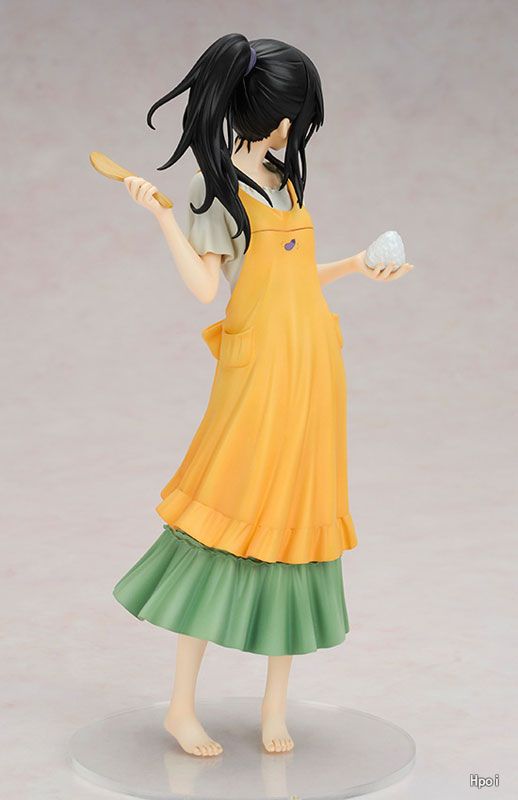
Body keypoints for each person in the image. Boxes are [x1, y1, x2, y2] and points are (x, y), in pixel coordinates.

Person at [112, 33, 414, 758]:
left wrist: (357, 265)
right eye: (297, 116)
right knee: (225, 520)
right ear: (278, 116)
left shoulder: (285, 178)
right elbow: (206, 288)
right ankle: (181, 707)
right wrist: (163, 218)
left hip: (311, 370)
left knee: (296, 522)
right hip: (256, 379)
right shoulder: (212, 187)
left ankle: (274, 705)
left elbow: (297, 276)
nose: (296, 129)